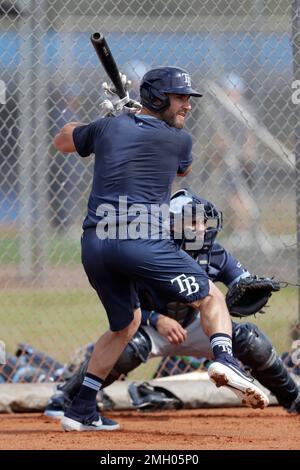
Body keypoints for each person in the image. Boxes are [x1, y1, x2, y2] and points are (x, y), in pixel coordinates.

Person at [53, 67, 268, 432]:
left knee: (125, 325)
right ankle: (225, 360)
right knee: (211, 298)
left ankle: (81, 410)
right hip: (141, 242)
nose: (186, 105)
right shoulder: (178, 140)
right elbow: (181, 171)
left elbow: (62, 140)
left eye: (187, 98)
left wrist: (110, 120)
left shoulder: (108, 129)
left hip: (95, 246)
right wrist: (131, 120)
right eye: (179, 97)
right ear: (156, 98)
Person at [44, 189, 300, 418]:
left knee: (252, 340)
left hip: (198, 325)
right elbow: (125, 306)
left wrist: (244, 290)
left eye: (203, 222)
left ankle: (293, 397)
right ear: (171, 225)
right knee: (125, 348)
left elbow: (240, 281)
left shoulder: (214, 253)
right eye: (192, 222)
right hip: (151, 327)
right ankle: (67, 397)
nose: (201, 228)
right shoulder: (147, 254)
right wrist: (156, 319)